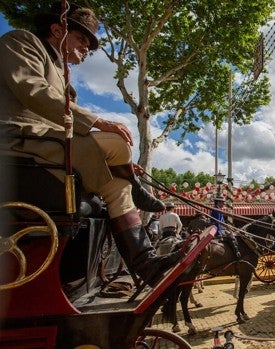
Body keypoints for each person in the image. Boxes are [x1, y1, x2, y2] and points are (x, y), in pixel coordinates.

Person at [0, 2, 175, 286]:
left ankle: (147, 264)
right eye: (82, 39)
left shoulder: (65, 76)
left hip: (50, 149)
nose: (86, 49)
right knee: (118, 142)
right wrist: (97, 121)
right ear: (57, 30)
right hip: (19, 144)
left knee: (116, 184)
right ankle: (134, 185)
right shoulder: (21, 41)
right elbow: (33, 91)